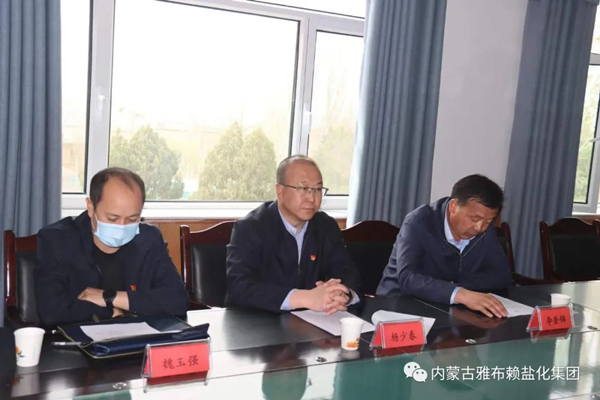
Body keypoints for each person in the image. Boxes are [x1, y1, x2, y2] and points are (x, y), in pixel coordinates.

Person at [35, 167, 188, 326]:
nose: (122, 226)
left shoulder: (149, 239)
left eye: (132, 219)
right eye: (112, 218)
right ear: (91, 207)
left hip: (137, 337)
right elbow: (51, 311)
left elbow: (178, 300)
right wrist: (109, 312)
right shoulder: (57, 241)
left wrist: (109, 297)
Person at [226, 155, 361, 314]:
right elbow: (239, 287)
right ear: (280, 191)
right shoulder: (250, 228)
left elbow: (347, 272)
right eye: (303, 189)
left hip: (311, 322)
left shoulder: (326, 226)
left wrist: (344, 294)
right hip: (256, 322)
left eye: (317, 189)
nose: (312, 198)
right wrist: (305, 298)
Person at [376, 174, 512, 318]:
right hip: (398, 305)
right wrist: (459, 293)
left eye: (488, 221)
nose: (480, 228)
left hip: (448, 308)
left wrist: (457, 289)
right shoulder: (419, 222)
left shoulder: (485, 229)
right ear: (453, 206)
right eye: (474, 219)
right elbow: (408, 278)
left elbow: (501, 275)